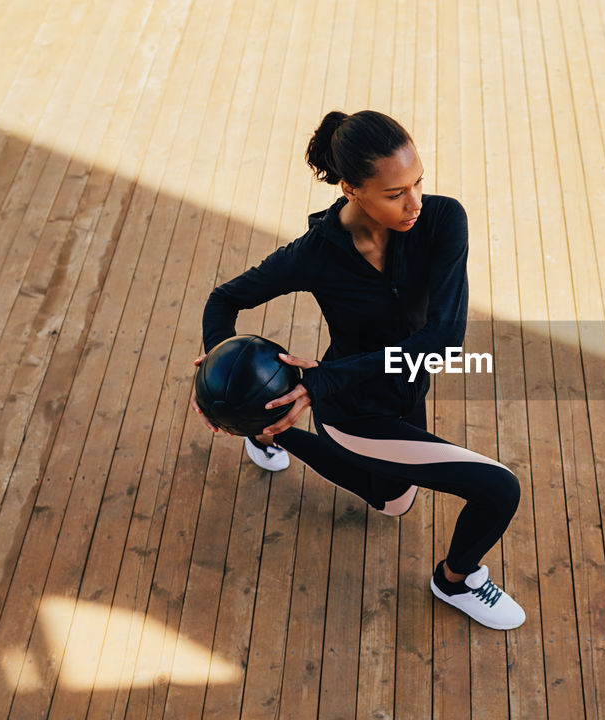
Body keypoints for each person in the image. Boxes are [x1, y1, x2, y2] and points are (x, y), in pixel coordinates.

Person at [191, 110, 524, 630]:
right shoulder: (315, 254)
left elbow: (441, 342)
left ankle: (270, 434)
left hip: (402, 390)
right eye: (395, 193)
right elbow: (224, 299)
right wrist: (222, 374)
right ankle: (456, 580)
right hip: (350, 407)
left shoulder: (440, 220)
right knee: (499, 489)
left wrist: (314, 382)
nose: (414, 202)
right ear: (350, 189)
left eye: (418, 183)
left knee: (394, 501)